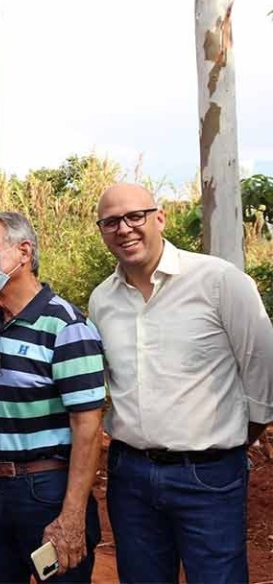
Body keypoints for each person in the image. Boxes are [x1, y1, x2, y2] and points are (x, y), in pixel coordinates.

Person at [88, 183, 273, 583]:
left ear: (159, 217)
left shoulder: (219, 281)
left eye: (134, 216)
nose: (124, 229)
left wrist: (233, 444)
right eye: (111, 222)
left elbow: (263, 373)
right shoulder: (102, 300)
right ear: (101, 230)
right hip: (130, 476)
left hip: (208, 475)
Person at [0, 211, 106, 583]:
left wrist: (71, 516)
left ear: (23, 252)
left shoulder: (66, 326)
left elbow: (88, 424)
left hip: (45, 491)